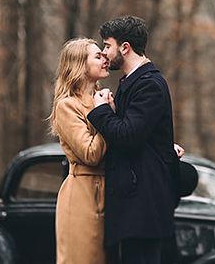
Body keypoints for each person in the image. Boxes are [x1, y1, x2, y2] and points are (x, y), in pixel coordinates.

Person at [87, 16, 179, 264]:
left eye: (107, 45)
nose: (105, 53)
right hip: (134, 206)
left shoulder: (149, 84)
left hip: (143, 208)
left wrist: (101, 111)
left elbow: (128, 137)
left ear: (125, 48)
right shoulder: (132, 83)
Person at [48, 38, 111, 264]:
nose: (105, 58)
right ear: (80, 65)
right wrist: (105, 114)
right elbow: (90, 154)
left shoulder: (103, 98)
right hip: (83, 194)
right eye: (97, 56)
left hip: (110, 190)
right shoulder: (67, 105)